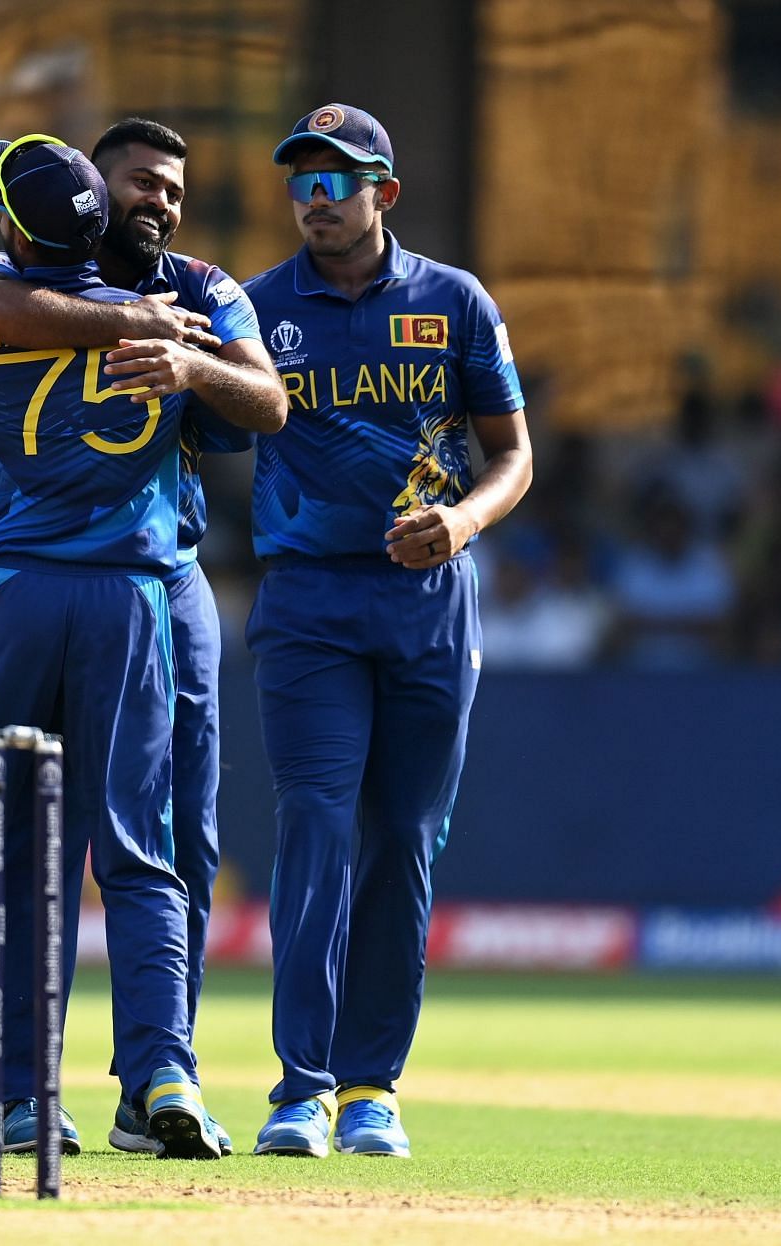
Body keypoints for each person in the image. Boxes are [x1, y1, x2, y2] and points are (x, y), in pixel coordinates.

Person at [0, 116, 287, 1156]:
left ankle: (155, 1075)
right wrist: (127, 317)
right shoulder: (21, 271)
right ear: (91, 188)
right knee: (37, 840)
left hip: (167, 582)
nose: (158, 202)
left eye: (173, 186)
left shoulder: (208, 289)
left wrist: (190, 363)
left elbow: (268, 401)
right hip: (53, 573)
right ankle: (27, 1087)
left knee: (176, 838)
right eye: (138, 183)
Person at [239, 104, 533, 1157]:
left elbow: (513, 455)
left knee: (403, 841)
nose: (315, 199)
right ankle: (299, 1087)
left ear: (385, 193)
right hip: (310, 601)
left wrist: (458, 521)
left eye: (337, 179)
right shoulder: (259, 307)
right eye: (301, 181)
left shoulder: (453, 303)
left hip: (426, 606)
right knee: (315, 825)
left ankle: (372, 1087)